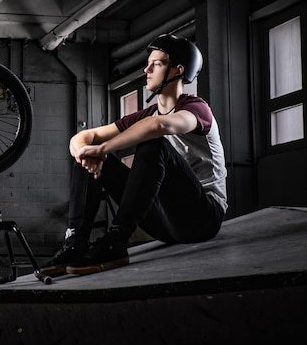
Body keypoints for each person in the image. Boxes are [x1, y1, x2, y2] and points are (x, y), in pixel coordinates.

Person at [41, 34, 227, 276]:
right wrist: (87, 154)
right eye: (149, 63)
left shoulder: (196, 108)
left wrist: (103, 149)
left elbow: (159, 126)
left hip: (202, 217)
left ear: (178, 70)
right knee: (86, 154)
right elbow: (83, 137)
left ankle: (116, 240)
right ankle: (75, 241)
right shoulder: (147, 113)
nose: (147, 69)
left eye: (157, 64)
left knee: (153, 144)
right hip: (163, 221)